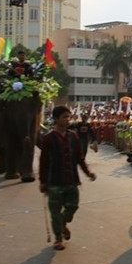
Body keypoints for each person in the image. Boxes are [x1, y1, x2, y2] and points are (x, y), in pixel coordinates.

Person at [38, 105, 96, 250]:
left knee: (73, 206)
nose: (68, 120)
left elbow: (79, 158)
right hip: (54, 182)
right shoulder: (48, 139)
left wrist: (87, 172)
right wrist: (43, 182)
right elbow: (43, 162)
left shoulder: (73, 136)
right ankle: (58, 238)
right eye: (64, 117)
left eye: (69, 117)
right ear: (56, 119)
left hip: (71, 180)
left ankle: (62, 223)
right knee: (55, 211)